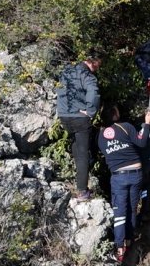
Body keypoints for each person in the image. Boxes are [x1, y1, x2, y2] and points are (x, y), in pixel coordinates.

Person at [98, 107, 150, 263]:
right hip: (136, 174)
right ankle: (129, 241)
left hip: (118, 177)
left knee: (120, 212)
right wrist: (147, 123)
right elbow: (142, 142)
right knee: (132, 209)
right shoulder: (126, 126)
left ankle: (120, 248)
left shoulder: (100, 137)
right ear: (115, 115)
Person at [55, 55, 102, 200]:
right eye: (99, 63)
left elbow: (60, 90)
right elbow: (93, 93)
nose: (99, 67)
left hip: (64, 117)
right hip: (79, 118)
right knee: (83, 153)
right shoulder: (87, 75)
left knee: (76, 146)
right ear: (92, 60)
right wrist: (91, 112)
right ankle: (82, 191)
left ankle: (76, 179)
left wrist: (63, 111)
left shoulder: (67, 71)